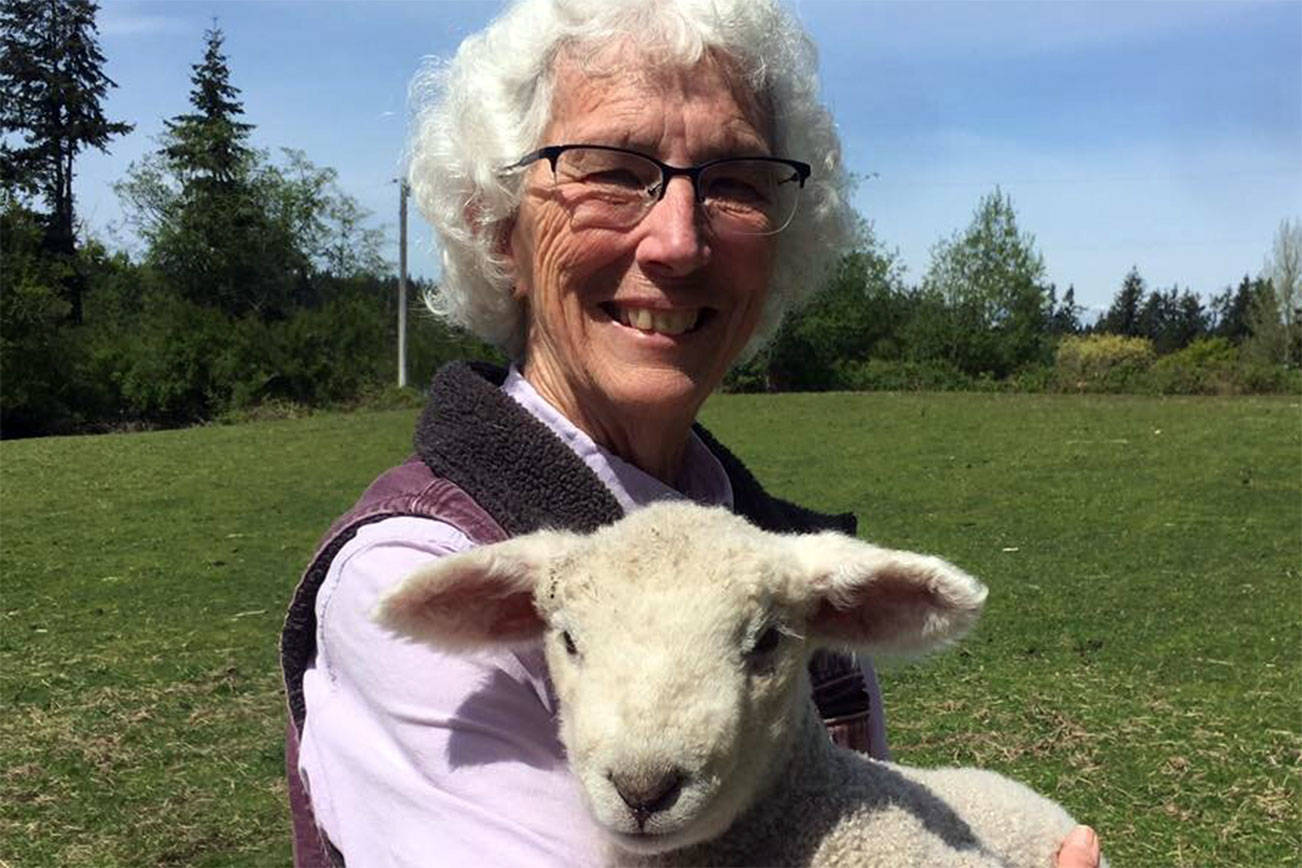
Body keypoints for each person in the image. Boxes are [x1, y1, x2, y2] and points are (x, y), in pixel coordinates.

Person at [279, 2, 1102, 866]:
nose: (676, 241)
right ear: (499, 228)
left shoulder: (774, 556)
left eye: (736, 181)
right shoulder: (410, 575)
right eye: (605, 170)